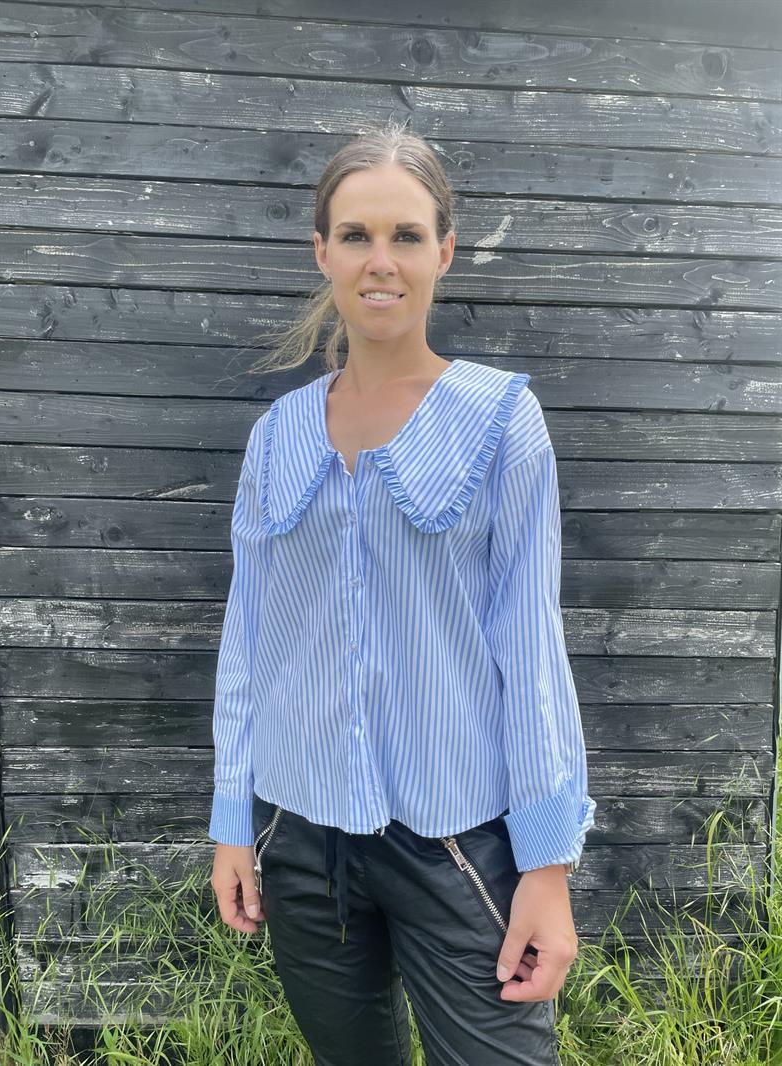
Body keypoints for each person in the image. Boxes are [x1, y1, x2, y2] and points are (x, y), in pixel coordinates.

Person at [208, 121, 596, 1066]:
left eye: (406, 236)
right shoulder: (278, 436)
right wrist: (232, 824)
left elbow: (530, 645)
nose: (380, 261)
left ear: (444, 252)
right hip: (299, 838)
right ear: (323, 251)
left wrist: (547, 866)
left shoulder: (501, 421)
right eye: (356, 235)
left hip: (456, 843)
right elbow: (249, 637)